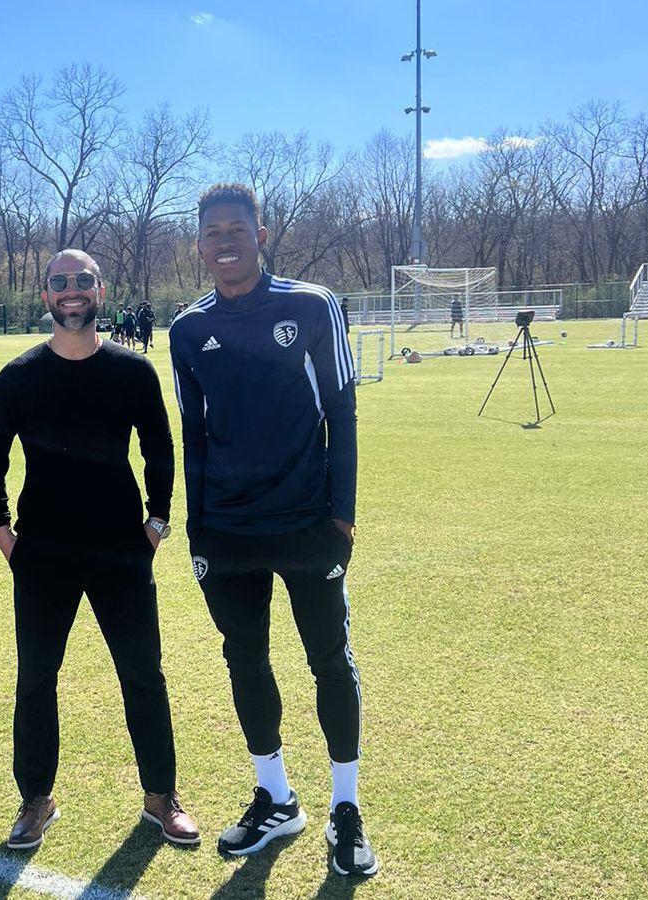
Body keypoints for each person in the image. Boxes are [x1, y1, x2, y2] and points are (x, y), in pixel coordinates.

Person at [169, 184, 377, 876]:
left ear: (262, 232)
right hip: (227, 533)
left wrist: (341, 513)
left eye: (237, 228)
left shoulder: (311, 305)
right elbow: (192, 436)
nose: (224, 241)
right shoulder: (187, 330)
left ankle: (345, 808)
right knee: (245, 660)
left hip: (306, 523)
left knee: (328, 659)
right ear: (198, 244)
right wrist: (199, 529)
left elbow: (341, 415)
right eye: (211, 232)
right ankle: (276, 797)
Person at [0, 248, 199, 851]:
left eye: (82, 281)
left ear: (100, 290)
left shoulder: (132, 372)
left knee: (143, 675)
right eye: (59, 283)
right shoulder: (19, 377)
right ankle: (35, 800)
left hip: (121, 550)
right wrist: (2, 530)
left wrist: (156, 523)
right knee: (36, 679)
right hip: (42, 552)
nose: (70, 291)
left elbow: (159, 450)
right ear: (44, 294)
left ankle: (160, 798)